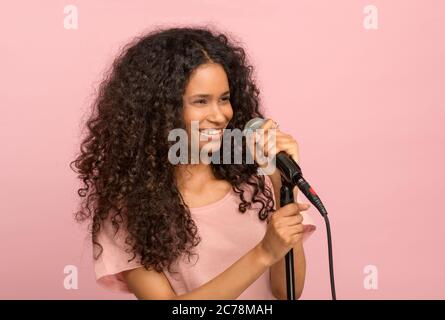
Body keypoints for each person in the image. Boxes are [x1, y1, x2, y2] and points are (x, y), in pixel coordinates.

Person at [70, 26, 316, 300]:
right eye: (201, 101)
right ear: (160, 111)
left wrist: (285, 191)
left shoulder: (259, 186)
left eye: (224, 99)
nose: (220, 115)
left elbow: (287, 293)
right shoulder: (127, 212)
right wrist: (264, 253)